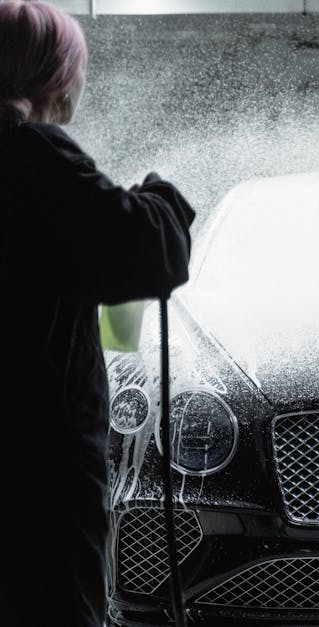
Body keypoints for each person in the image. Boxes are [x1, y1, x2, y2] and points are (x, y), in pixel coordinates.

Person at [0, 2, 196, 625]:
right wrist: (160, 196)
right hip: (34, 473)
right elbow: (148, 252)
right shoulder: (31, 157)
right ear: (53, 77)